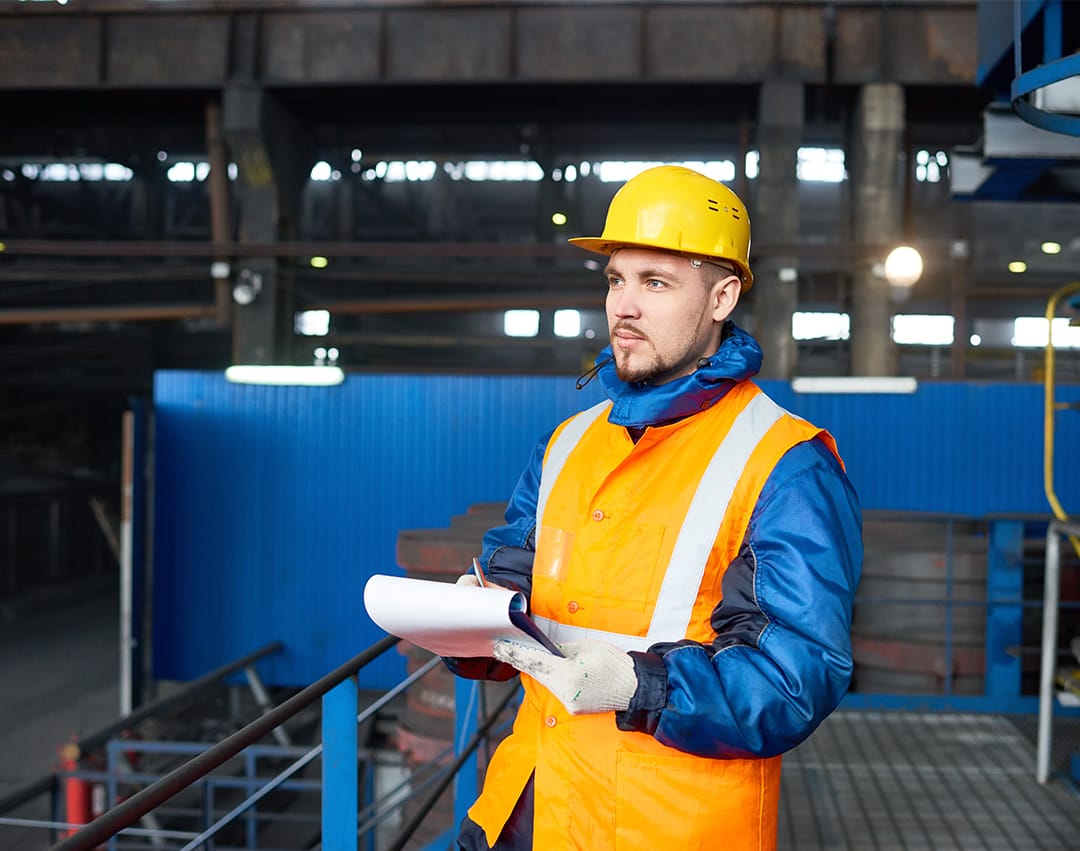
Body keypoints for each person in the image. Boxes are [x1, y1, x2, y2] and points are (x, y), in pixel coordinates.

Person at [444, 164, 862, 851]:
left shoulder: (786, 464)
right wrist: (471, 622)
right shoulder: (567, 443)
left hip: (663, 828)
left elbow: (795, 678)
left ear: (723, 295)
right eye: (616, 279)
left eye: (656, 282)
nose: (623, 307)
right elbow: (516, 591)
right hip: (524, 811)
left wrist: (645, 684)